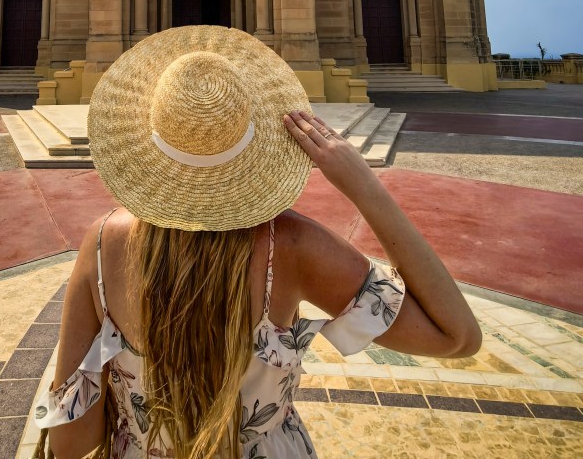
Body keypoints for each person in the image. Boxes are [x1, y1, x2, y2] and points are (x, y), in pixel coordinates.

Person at [35, 27, 481, 459]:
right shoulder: (293, 245)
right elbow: (456, 337)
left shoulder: (103, 244)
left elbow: (71, 442)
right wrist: (365, 187)